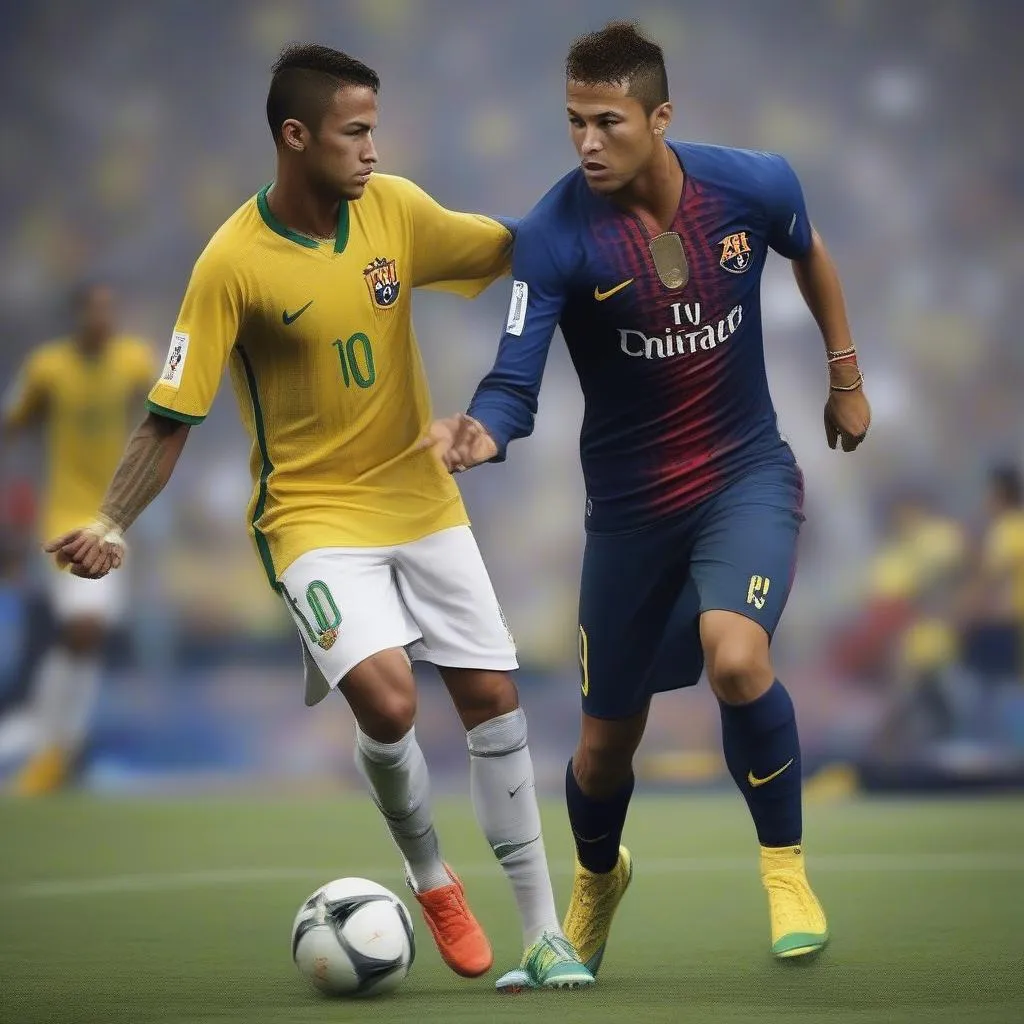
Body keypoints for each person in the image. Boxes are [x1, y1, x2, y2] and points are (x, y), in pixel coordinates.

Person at [47, 44, 592, 992]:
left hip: (421, 496)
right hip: (308, 517)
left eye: (374, 129)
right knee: (388, 701)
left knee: (491, 701)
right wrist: (114, 521)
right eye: (355, 132)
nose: (372, 150)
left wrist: (601, 196)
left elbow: (511, 245)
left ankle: (545, 936)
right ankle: (432, 877)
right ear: (296, 138)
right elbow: (170, 417)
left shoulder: (396, 211)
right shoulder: (231, 263)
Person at [424, 22, 871, 967]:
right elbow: (515, 374)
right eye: (575, 122)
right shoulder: (552, 235)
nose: (588, 142)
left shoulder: (754, 184)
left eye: (609, 122)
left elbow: (811, 249)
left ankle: (784, 869)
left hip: (742, 475)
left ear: (660, 117)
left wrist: (845, 372)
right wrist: (481, 429)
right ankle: (597, 881)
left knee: (736, 657)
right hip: (628, 517)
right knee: (601, 756)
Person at [1, 283, 154, 793]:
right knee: (84, 624)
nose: (104, 319)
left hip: (115, 515)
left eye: (112, 309)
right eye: (95, 309)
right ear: (77, 315)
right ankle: (55, 748)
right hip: (63, 516)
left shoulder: (133, 361)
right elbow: (15, 421)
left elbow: (162, 409)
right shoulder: (48, 369)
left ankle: (51, 745)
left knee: (85, 635)